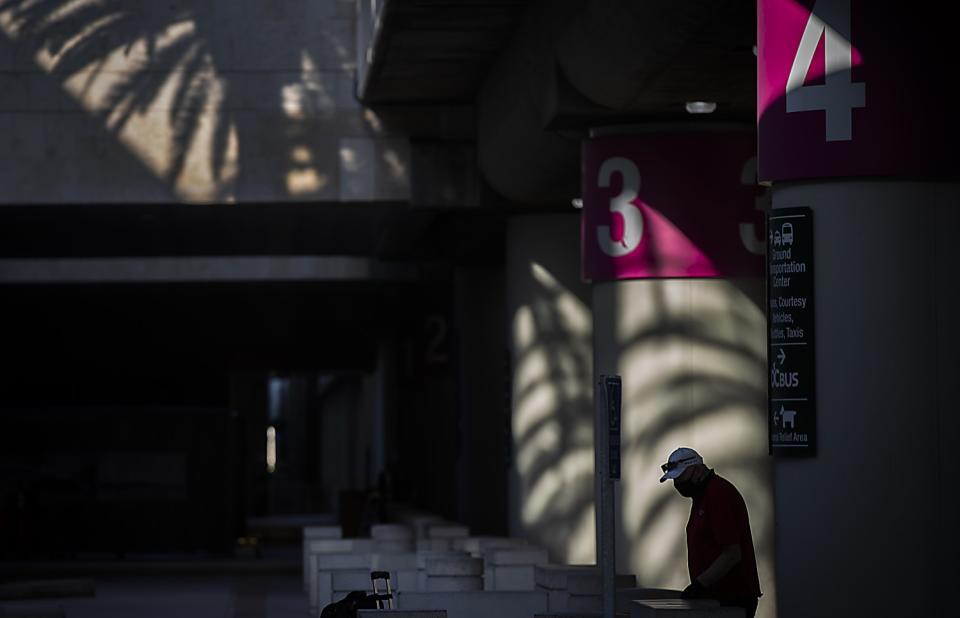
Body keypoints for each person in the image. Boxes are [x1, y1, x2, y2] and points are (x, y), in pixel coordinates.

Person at [659, 447, 762, 618]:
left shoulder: (718, 494)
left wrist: (699, 585)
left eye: (680, 477)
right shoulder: (702, 496)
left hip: (731, 598)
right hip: (714, 598)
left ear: (697, 469)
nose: (678, 484)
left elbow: (732, 553)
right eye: (674, 480)